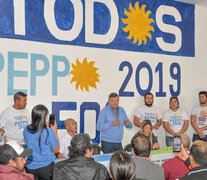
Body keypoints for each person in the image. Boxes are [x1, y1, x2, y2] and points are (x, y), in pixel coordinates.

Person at [23, 104, 59, 180]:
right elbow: (56, 150)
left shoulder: (26, 129)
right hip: (46, 167)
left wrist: (44, 126)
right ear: (45, 117)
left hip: (30, 168)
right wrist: (54, 131)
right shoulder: (49, 132)